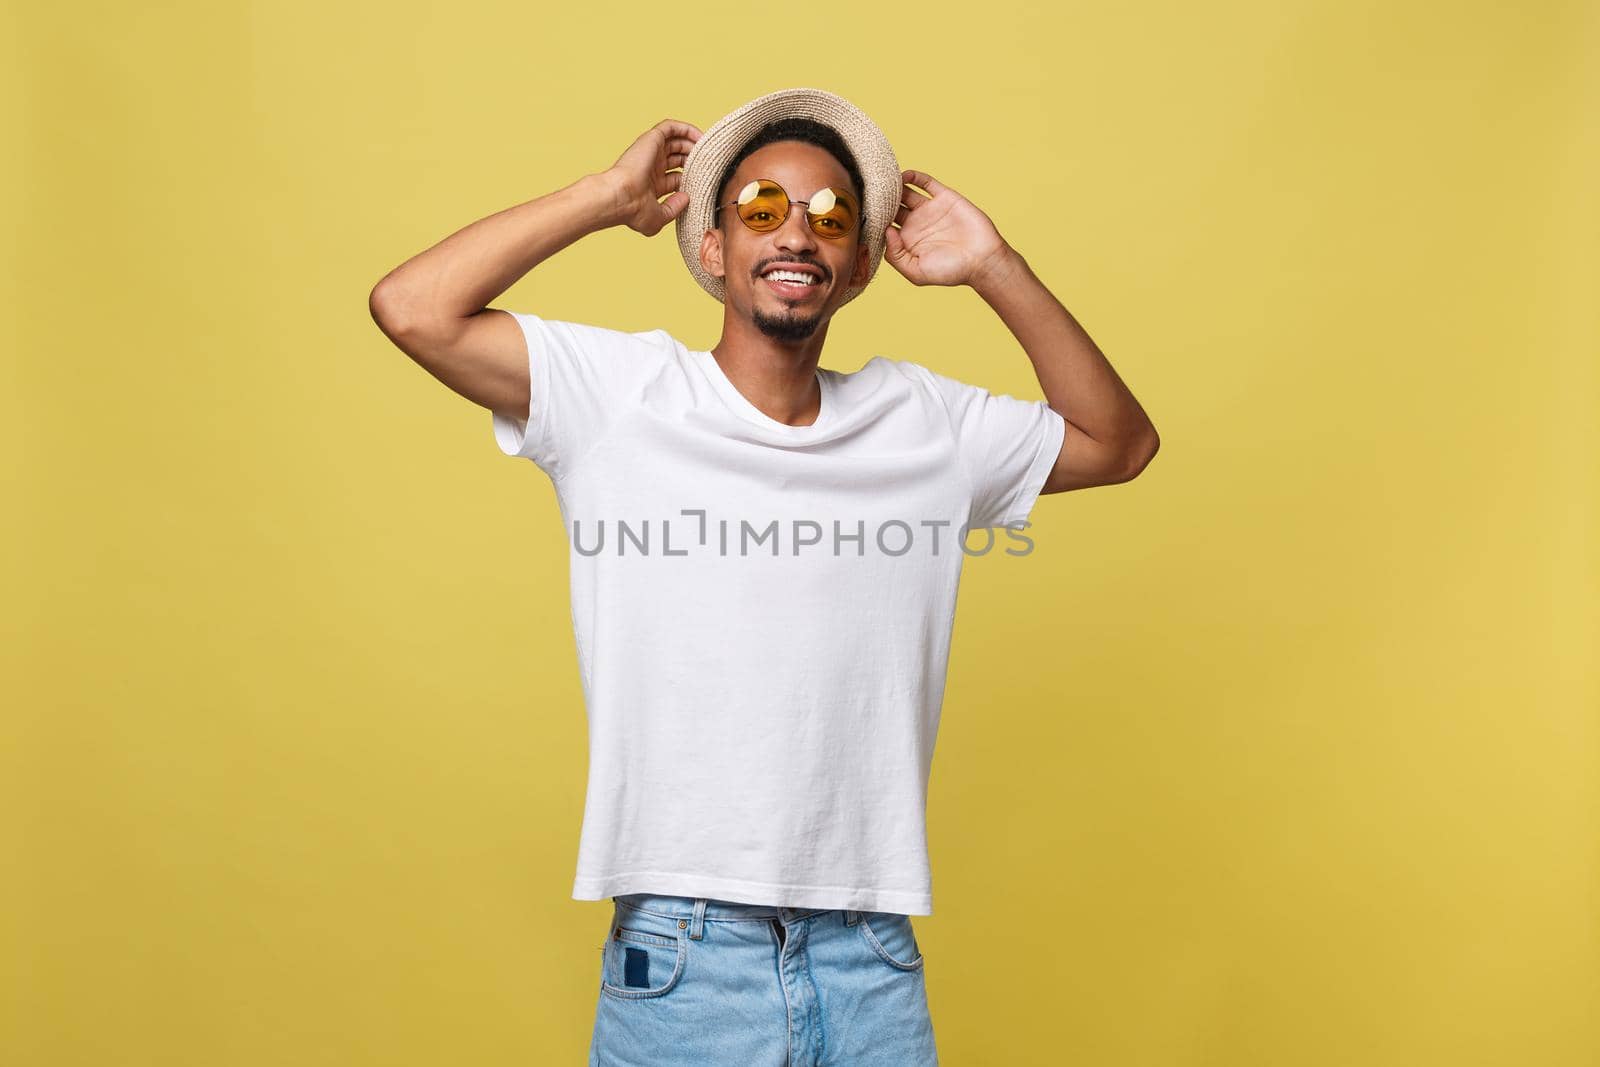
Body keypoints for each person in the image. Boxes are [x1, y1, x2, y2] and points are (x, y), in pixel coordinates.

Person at [369, 86, 1158, 1066]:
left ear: (860, 263)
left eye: (832, 217)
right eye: (760, 209)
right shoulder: (621, 397)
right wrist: (604, 197)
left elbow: (1118, 442)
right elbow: (411, 308)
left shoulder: (923, 424)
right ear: (712, 247)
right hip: (686, 951)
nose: (798, 233)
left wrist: (995, 266)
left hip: (868, 951)